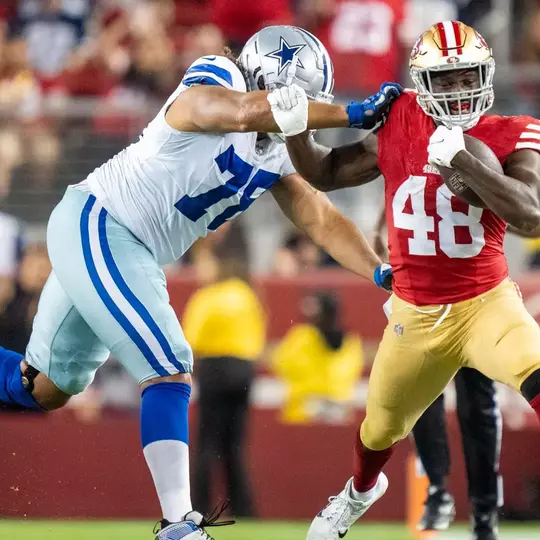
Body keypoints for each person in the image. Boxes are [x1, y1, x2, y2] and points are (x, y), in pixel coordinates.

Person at [0, 25, 397, 540]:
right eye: (302, 101)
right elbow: (234, 112)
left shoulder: (277, 151)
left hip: (130, 249)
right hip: (101, 222)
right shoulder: (217, 77)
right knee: (169, 368)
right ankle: (177, 525)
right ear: (273, 85)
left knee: (42, 388)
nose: (308, 114)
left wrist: (378, 270)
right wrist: (348, 113)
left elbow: (320, 218)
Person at [278, 21, 540, 540]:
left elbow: (531, 216)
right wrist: (294, 130)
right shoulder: (399, 118)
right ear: (421, 82)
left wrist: (464, 161)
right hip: (414, 313)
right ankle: (357, 493)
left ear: (485, 76)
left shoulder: (515, 130)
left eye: (466, 76)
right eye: (443, 79)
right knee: (378, 431)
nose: (457, 89)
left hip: (487, 304)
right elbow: (327, 173)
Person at [372, 204, 502, 535]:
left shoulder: (470, 165)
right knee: (424, 398)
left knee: (478, 407)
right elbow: (379, 232)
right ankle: (437, 489)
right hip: (427, 305)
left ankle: (484, 506)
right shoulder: (411, 175)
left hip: (475, 300)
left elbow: (517, 213)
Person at [183, 247, 265, 518]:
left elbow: (190, 339)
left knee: (207, 443)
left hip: (214, 368)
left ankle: (198, 509)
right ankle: (242, 509)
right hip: (243, 370)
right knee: (235, 444)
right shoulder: (245, 293)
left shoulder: (207, 297)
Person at [271, 290, 363, 424]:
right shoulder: (351, 340)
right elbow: (353, 370)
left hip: (303, 407)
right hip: (339, 406)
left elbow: (280, 363)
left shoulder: (302, 336)